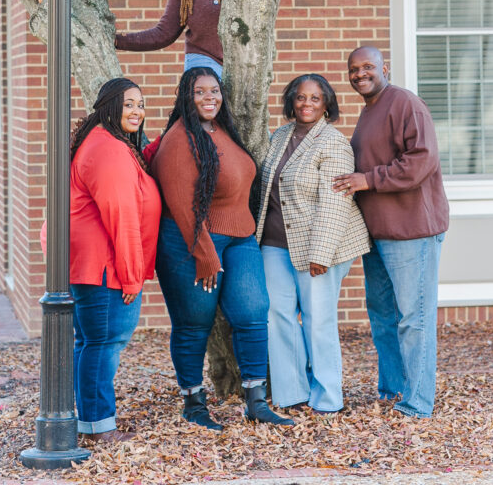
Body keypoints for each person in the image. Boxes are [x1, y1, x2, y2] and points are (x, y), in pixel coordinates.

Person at [151, 66, 294, 431]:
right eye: (199, 92)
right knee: (193, 323)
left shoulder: (222, 131)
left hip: (240, 236)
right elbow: (183, 208)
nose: (208, 98)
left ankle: (256, 401)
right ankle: (193, 403)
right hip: (192, 243)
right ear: (186, 96)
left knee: (252, 312)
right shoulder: (179, 140)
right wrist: (204, 253)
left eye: (213, 91)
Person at [333, 46, 449, 419]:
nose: (360, 74)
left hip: (411, 232)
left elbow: (421, 160)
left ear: (386, 68)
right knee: (383, 317)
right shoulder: (370, 111)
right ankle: (393, 390)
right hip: (377, 236)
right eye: (354, 69)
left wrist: (368, 180)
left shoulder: (404, 104)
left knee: (414, 319)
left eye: (368, 67)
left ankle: (417, 404)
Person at [256, 74, 370, 413]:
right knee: (278, 315)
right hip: (274, 243)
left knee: (318, 318)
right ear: (291, 100)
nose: (307, 104)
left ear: (327, 105)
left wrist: (321, 254)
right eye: (301, 98)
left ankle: (328, 397)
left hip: (320, 247)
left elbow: (334, 204)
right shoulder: (279, 136)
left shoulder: (334, 143)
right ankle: (292, 393)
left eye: (315, 99)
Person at [68, 77, 161, 442]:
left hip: (94, 265)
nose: (137, 110)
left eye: (141, 103)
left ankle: (90, 421)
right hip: (105, 268)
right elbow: (121, 216)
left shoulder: (108, 143)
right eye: (128, 104)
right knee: (103, 344)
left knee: (91, 342)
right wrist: (131, 276)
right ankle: (97, 426)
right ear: (109, 107)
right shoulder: (107, 150)